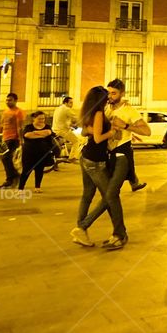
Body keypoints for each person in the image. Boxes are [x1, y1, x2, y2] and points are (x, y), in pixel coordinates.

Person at [71, 86, 126, 249]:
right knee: (110, 196)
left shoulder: (89, 112)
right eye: (106, 95)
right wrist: (112, 132)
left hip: (86, 157)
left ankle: (81, 232)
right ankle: (82, 227)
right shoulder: (99, 113)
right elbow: (97, 138)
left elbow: (83, 133)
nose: (109, 97)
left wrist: (94, 130)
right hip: (95, 161)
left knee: (87, 195)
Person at [105, 79, 149, 192]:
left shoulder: (130, 110)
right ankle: (134, 183)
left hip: (121, 151)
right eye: (108, 92)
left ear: (122, 93)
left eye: (113, 93)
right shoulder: (107, 108)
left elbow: (147, 131)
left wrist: (125, 126)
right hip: (108, 151)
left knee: (112, 190)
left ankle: (134, 183)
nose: (109, 96)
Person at [19, 111, 55, 194]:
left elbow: (49, 133)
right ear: (34, 119)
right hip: (29, 153)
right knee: (26, 171)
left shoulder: (47, 126)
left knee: (39, 170)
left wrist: (34, 133)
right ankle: (21, 188)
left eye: (43, 118)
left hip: (43, 153)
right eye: (39, 119)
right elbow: (27, 135)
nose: (42, 120)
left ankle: (37, 187)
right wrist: (42, 134)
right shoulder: (28, 127)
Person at [0, 93, 25, 188]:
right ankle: (14, 176)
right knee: (6, 158)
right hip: (5, 138)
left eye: (10, 100)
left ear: (15, 100)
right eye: (7, 100)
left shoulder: (19, 112)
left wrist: (21, 140)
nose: (8, 102)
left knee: (6, 158)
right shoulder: (5, 111)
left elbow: (20, 127)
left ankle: (11, 178)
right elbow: (2, 124)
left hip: (13, 138)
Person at [52, 96, 81, 162]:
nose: (72, 104)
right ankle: (72, 157)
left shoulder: (58, 108)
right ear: (66, 103)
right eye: (70, 103)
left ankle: (66, 154)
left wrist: (72, 126)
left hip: (55, 129)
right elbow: (76, 117)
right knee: (76, 141)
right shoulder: (66, 109)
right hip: (62, 130)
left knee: (71, 138)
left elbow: (63, 121)